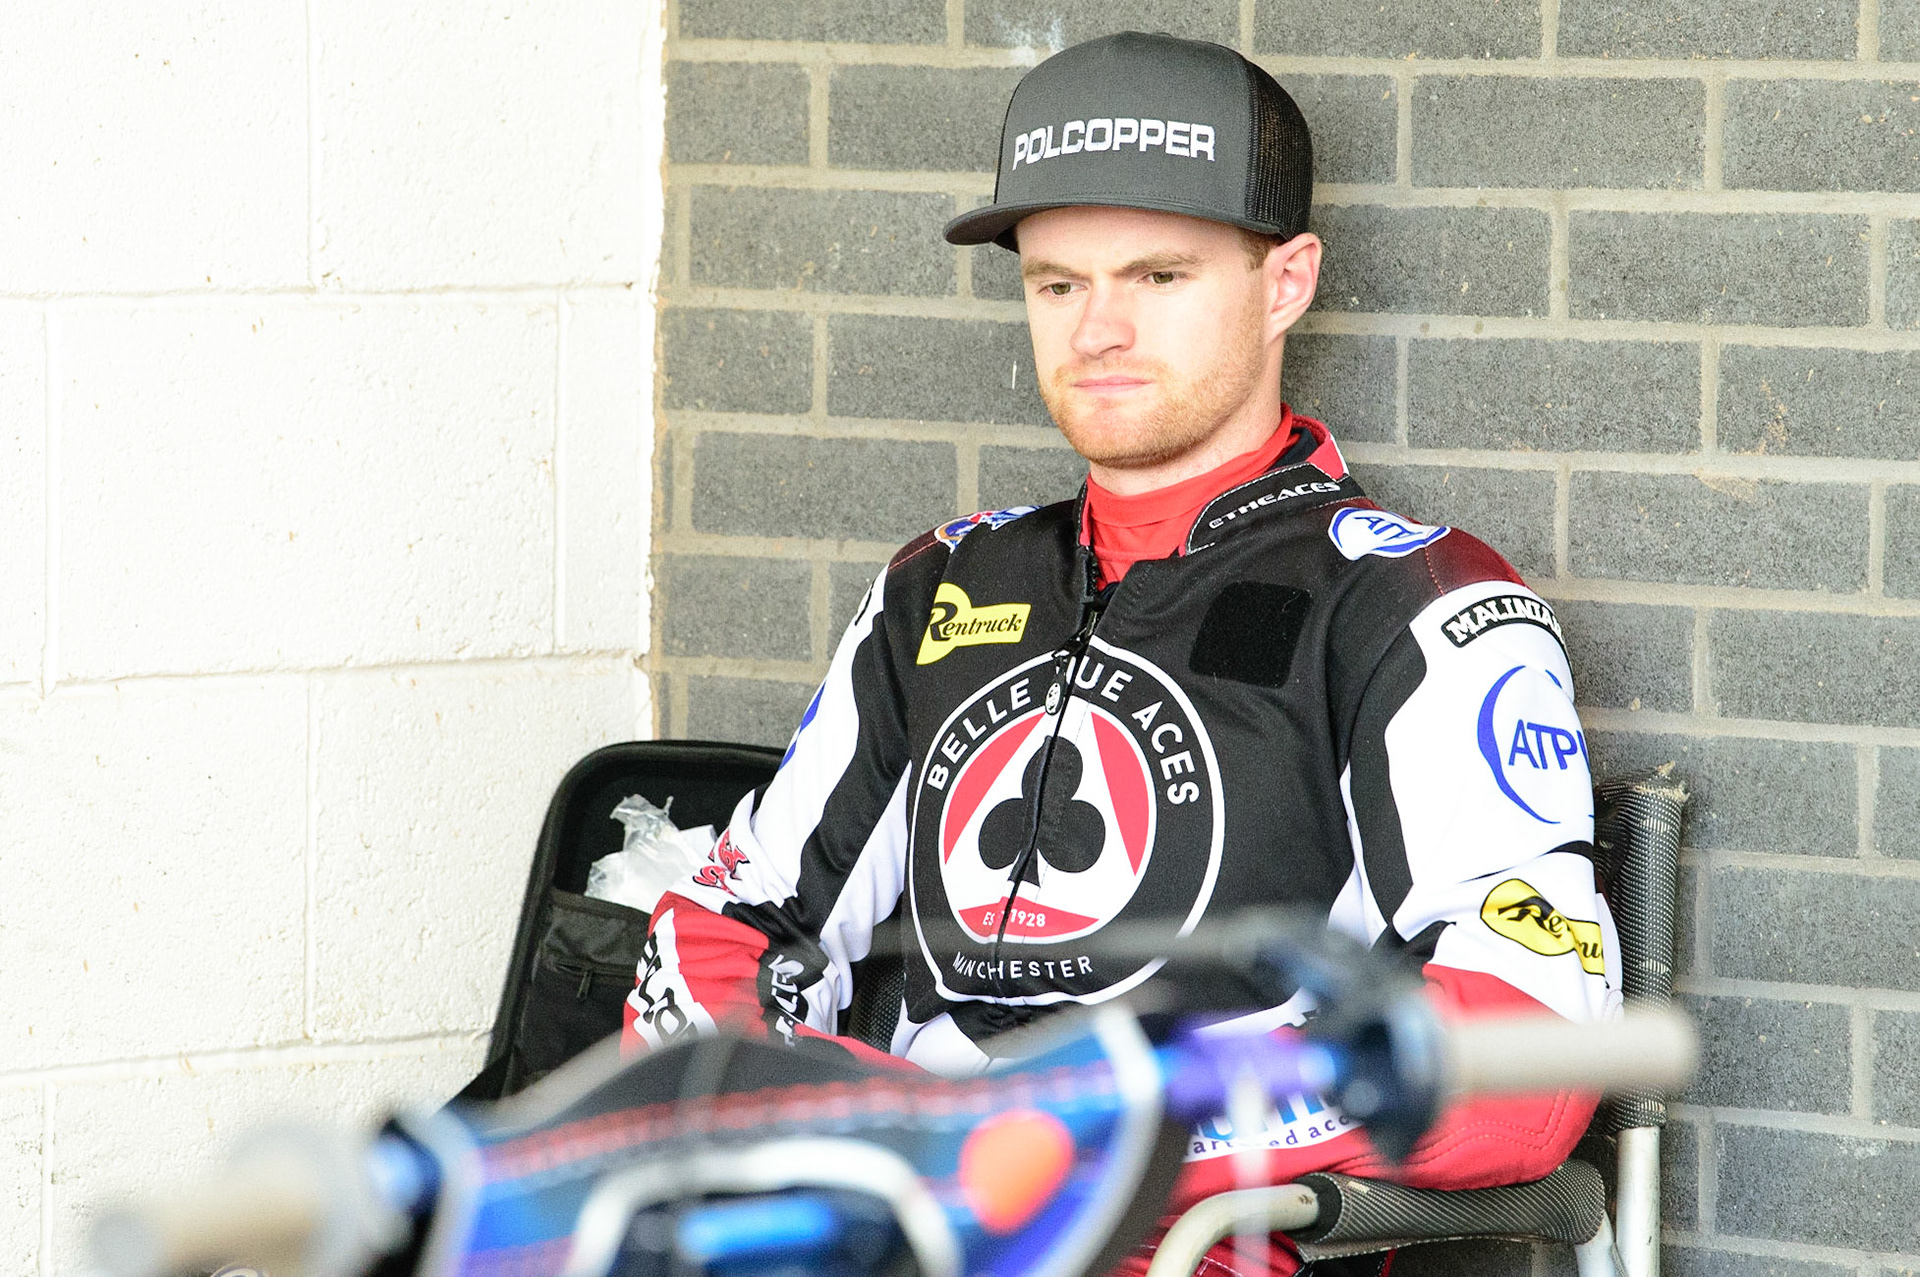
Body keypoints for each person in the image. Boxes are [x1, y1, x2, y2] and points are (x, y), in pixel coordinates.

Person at [626, 31, 1618, 1277]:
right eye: (1056, 284)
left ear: (1287, 281)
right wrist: (806, 1112)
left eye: (1157, 275)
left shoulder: (1415, 601)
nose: (1097, 328)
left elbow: (1528, 1049)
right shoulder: (940, 584)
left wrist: (1107, 1131)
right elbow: (729, 923)